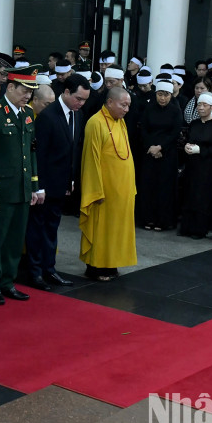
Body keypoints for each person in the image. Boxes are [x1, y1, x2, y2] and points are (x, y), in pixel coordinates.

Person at [0, 64, 42, 305]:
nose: (28, 96)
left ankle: (8, 281)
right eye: (24, 90)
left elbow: (31, 152)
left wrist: (35, 186)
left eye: (31, 91)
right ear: (11, 86)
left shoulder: (27, 114)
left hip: (22, 189)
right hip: (3, 190)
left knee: (16, 240)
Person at [28, 74, 89, 290]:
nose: (81, 104)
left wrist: (71, 179)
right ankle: (35, 272)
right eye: (78, 99)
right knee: (37, 229)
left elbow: (73, 150)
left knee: (52, 229)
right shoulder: (48, 116)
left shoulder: (78, 115)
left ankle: (49, 269)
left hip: (62, 184)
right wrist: (40, 186)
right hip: (45, 185)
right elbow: (40, 155)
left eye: (84, 100)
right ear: (65, 93)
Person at [79, 86, 137, 281]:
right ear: (110, 102)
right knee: (102, 229)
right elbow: (90, 159)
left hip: (122, 190)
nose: (126, 109)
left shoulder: (120, 121)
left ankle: (111, 264)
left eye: (128, 105)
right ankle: (95, 267)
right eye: (123, 105)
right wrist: (95, 190)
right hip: (103, 190)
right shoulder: (95, 123)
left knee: (116, 230)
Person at [139, 80, 183, 231]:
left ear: (171, 95)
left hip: (168, 154)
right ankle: (148, 218)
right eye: (159, 94)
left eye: (166, 95)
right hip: (150, 152)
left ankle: (162, 220)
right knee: (148, 186)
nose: (162, 98)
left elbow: (175, 132)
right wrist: (152, 147)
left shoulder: (176, 111)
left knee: (164, 187)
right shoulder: (149, 109)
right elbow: (144, 129)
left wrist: (161, 147)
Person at [180, 92, 212, 239]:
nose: (201, 108)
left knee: (202, 198)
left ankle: (199, 229)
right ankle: (186, 227)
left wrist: (202, 150)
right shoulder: (194, 124)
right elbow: (187, 138)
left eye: (204, 105)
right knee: (189, 195)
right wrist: (187, 146)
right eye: (199, 104)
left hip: (207, 168)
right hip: (192, 166)